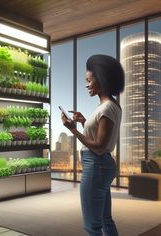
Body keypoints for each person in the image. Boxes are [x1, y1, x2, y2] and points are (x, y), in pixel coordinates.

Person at [61, 54, 124, 236]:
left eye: (89, 80)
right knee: (105, 219)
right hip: (102, 165)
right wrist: (83, 122)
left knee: (91, 226)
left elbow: (98, 146)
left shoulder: (106, 108)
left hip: (96, 164)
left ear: (101, 78)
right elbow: (100, 137)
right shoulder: (111, 105)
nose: (86, 84)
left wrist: (72, 129)